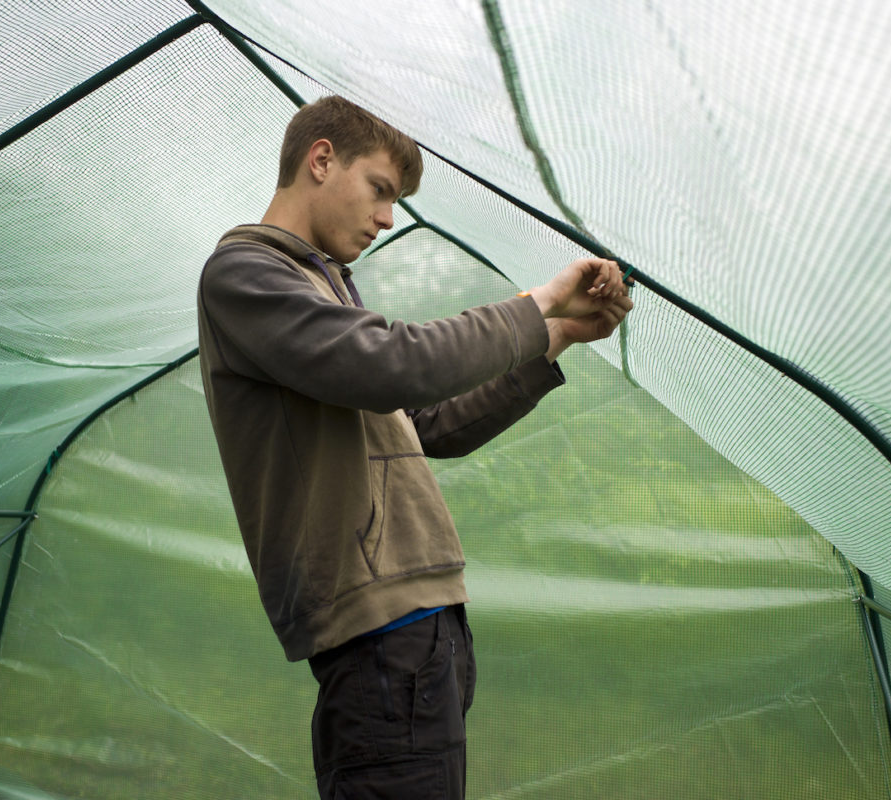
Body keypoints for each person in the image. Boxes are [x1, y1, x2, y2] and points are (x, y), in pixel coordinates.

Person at [196, 95, 632, 799]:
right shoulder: (246, 275)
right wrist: (537, 303)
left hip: (421, 630)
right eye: (381, 190)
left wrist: (556, 338)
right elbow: (392, 366)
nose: (387, 217)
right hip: (376, 633)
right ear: (321, 158)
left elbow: (426, 423)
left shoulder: (329, 289)